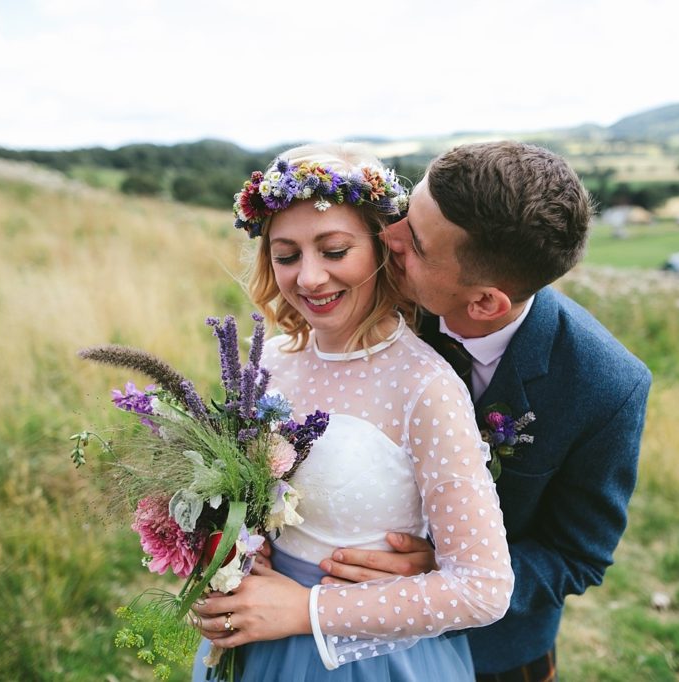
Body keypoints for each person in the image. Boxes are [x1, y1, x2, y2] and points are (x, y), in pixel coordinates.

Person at [318, 141, 652, 681]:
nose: (388, 236)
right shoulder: (378, 299)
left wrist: (451, 573)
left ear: (485, 303)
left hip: (494, 654)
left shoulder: (606, 387)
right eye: (408, 212)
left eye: (418, 244)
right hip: (346, 619)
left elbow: (577, 555)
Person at [190, 143, 514, 681]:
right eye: (287, 255)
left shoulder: (424, 386)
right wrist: (236, 551)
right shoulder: (267, 360)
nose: (310, 278)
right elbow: (242, 493)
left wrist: (305, 611)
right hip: (255, 640)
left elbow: (482, 588)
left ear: (382, 247)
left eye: (335, 250)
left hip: (368, 658)